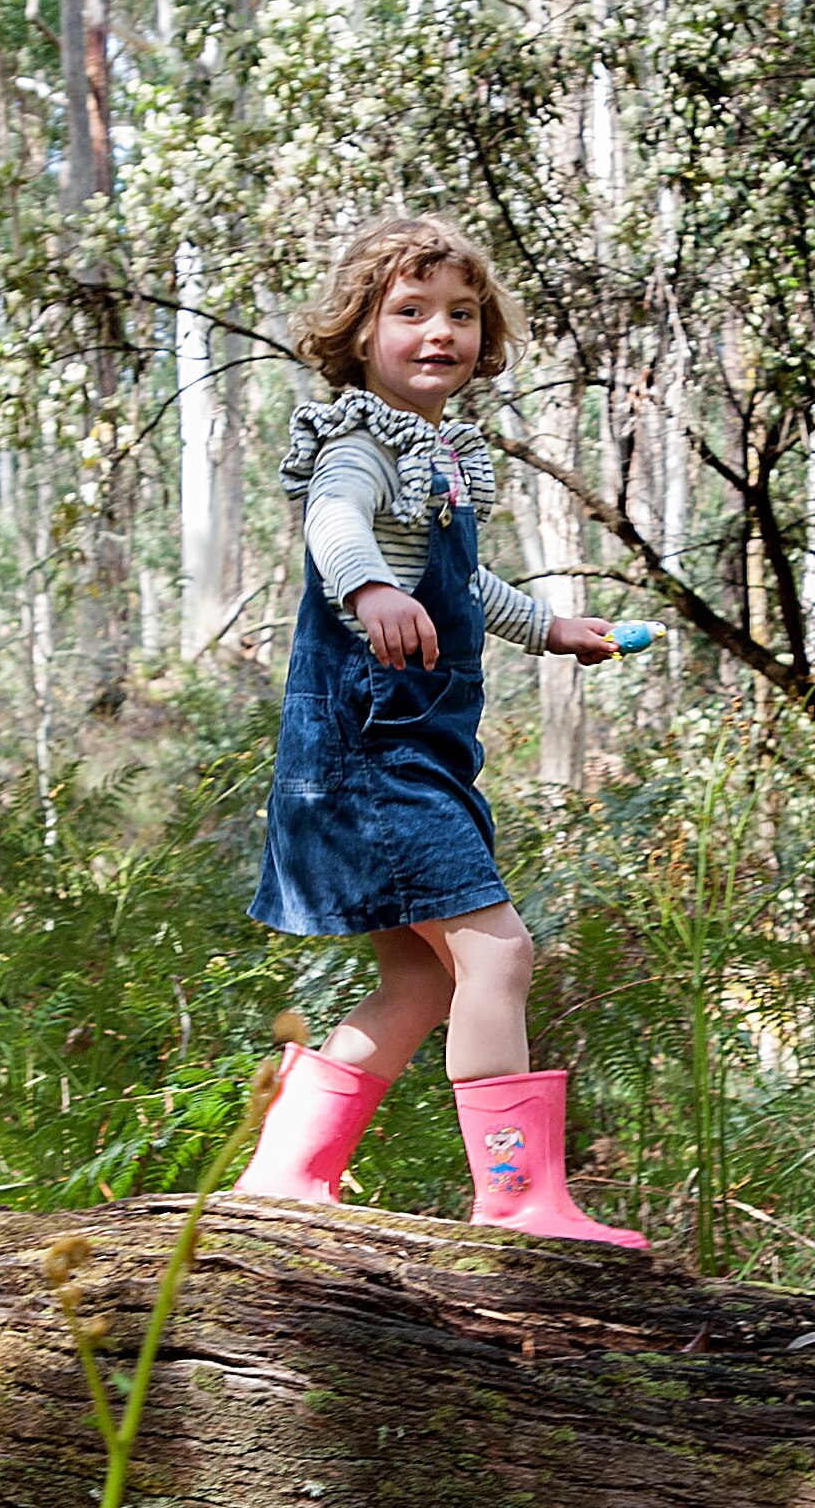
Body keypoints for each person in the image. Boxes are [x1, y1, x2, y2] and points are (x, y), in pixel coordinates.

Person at [233, 215, 643, 1249]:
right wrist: (366, 584)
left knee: (421, 977)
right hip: (368, 758)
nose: (439, 332)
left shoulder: (442, 456)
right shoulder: (359, 446)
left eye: (460, 313)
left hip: (410, 756)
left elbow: (460, 581)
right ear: (359, 333)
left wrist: (549, 625)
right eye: (408, 311)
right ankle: (515, 1201)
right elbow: (336, 522)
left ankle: (285, 1169)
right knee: (497, 951)